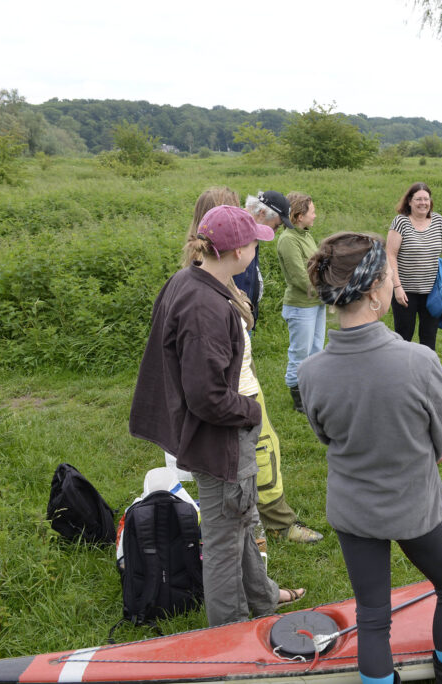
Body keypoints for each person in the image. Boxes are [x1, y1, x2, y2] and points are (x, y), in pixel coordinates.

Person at [298, 233, 442, 684]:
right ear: (378, 289)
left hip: (353, 509)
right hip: (414, 505)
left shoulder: (311, 373)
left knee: (373, 615)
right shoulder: (419, 361)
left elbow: (325, 435)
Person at [130, 205, 304, 628]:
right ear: (237, 250)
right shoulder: (204, 306)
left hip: (217, 430)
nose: (257, 248)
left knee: (240, 516)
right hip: (220, 435)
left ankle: (261, 598)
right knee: (225, 539)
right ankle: (231, 635)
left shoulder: (192, 278)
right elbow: (206, 396)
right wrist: (251, 410)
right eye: (253, 243)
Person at [386, 182, 442, 350]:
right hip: (405, 292)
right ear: (409, 201)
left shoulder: (438, 220)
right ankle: (402, 373)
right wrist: (397, 287)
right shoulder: (400, 222)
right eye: (418, 199)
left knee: (429, 338)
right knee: (403, 337)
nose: (423, 203)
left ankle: (427, 374)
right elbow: (390, 255)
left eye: (426, 199)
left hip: (433, 293)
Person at [277, 191, 326, 412]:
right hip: (300, 306)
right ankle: (298, 400)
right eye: (312, 212)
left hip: (316, 304)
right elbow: (299, 277)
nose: (315, 216)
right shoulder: (288, 240)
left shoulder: (305, 235)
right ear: (298, 215)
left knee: (316, 349)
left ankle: (312, 393)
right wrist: (327, 293)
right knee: (300, 352)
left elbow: (317, 268)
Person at [235, 190, 292, 328]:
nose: (276, 231)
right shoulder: (238, 232)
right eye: (276, 225)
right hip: (236, 318)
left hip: (245, 316)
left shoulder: (252, 233)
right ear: (262, 213)